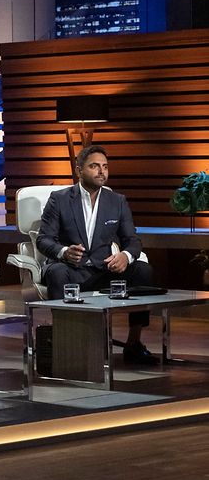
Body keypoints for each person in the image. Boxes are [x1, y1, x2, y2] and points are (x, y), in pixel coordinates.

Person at [36, 144, 156, 365]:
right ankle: (67, 343)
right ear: (79, 170)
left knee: (142, 270)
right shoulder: (59, 199)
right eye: (94, 166)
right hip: (72, 269)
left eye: (105, 167)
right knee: (57, 273)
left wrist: (126, 257)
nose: (102, 171)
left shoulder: (117, 201)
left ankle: (134, 343)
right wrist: (63, 252)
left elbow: (132, 241)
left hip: (104, 270)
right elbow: (43, 239)